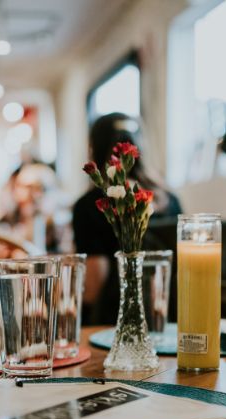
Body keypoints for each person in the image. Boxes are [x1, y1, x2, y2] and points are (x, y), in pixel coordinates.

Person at [72, 112, 181, 324]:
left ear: (93, 148)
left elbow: (94, 288)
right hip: (168, 318)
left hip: (113, 324)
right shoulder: (170, 200)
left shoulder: (90, 206)